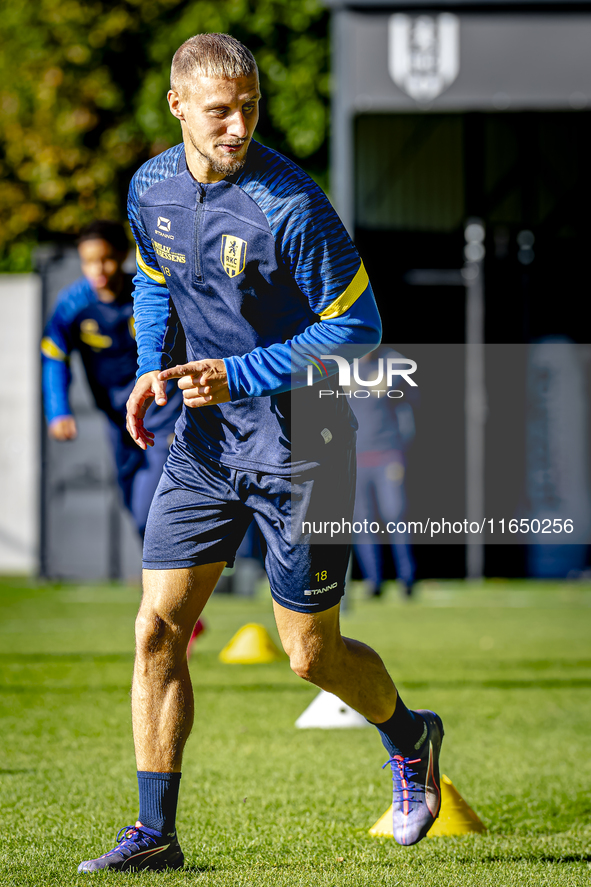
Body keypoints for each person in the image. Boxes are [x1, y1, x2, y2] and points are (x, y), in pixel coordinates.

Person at [77, 35, 443, 873]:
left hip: (300, 447)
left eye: (249, 106)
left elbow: (359, 326)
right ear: (178, 108)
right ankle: (155, 832)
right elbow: (153, 275)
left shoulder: (289, 204)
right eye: (219, 109)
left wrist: (236, 371)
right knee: (157, 629)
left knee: (310, 654)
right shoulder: (150, 188)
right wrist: (146, 370)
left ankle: (410, 735)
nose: (238, 123)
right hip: (204, 448)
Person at [41, 220, 183, 540]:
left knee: (152, 506)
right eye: (88, 261)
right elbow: (53, 357)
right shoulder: (72, 305)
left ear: (121, 255)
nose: (98, 269)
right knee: (133, 504)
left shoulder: (148, 296)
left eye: (104, 259)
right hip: (115, 418)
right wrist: (58, 411)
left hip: (160, 414)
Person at [349, 349, 417, 597]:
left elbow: (407, 401)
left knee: (395, 515)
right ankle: (373, 582)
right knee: (361, 522)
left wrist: (402, 450)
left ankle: (406, 580)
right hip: (355, 458)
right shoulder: (342, 369)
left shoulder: (391, 363)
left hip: (388, 455)